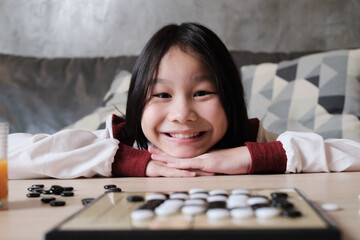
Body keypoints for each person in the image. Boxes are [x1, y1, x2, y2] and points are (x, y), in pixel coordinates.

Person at [8, 22, 360, 179]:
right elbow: (8, 153)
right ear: (136, 102)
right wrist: (125, 163)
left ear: (231, 99)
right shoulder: (117, 144)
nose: (181, 114)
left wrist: (249, 158)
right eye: (161, 95)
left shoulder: (252, 143)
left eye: (202, 93)